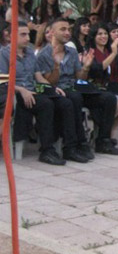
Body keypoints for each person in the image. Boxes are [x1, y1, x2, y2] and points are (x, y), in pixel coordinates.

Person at [36, 18, 118, 156]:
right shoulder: (44, 54)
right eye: (63, 29)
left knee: (109, 98)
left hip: (75, 87)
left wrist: (86, 67)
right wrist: (56, 67)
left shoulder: (72, 51)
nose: (67, 32)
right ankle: (78, 143)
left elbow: (80, 77)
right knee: (74, 98)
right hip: (60, 90)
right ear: (52, 32)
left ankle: (103, 140)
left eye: (68, 29)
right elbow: (50, 83)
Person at [0, 22, 83, 165]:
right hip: (13, 93)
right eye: (23, 35)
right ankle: (47, 150)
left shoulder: (30, 53)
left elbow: (38, 76)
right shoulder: (3, 54)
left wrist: (50, 88)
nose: (27, 38)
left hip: (33, 90)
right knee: (46, 104)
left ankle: (70, 147)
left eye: (28, 34)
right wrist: (22, 90)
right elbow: (2, 81)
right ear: (11, 36)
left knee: (64, 102)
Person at [87, 23, 118, 142]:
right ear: (94, 36)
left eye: (105, 33)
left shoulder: (109, 50)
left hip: (112, 86)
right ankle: (102, 131)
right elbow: (97, 70)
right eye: (100, 34)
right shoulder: (91, 51)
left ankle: (111, 129)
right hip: (96, 88)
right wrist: (113, 54)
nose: (103, 36)